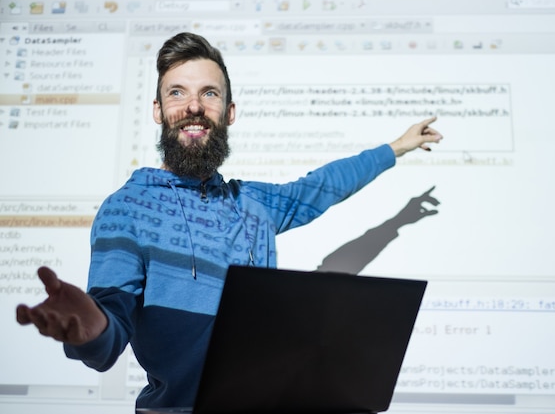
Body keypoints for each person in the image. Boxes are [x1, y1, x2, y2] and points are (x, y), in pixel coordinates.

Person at [15, 32, 443, 409]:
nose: (194, 106)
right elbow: (107, 344)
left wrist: (397, 148)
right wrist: (91, 327)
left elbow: (323, 185)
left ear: (229, 111)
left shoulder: (255, 204)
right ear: (158, 111)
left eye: (210, 94)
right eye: (177, 93)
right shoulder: (127, 209)